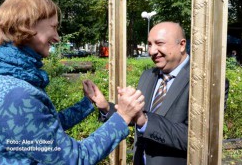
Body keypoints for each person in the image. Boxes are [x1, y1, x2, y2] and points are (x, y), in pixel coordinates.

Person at [0, 0, 145, 165]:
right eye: (53, 27)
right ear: (27, 23)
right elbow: (74, 158)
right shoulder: (18, 94)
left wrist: (87, 104)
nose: (57, 37)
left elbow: (41, 128)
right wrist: (123, 117)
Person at [98, 22, 229, 165]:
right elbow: (136, 117)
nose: (152, 51)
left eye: (159, 43)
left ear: (182, 45)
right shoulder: (148, 75)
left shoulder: (205, 83)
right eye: (149, 44)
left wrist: (144, 120)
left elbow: (199, 138)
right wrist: (105, 107)